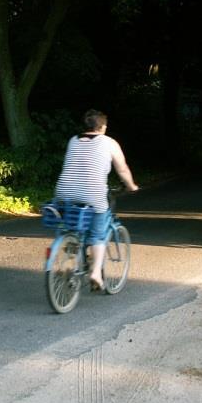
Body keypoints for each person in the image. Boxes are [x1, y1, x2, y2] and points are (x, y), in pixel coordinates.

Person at [55, 109, 139, 289]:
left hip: (64, 193)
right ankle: (95, 273)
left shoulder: (73, 140)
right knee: (97, 235)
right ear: (103, 126)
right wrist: (131, 186)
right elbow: (122, 169)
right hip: (92, 194)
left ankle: (73, 249)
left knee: (76, 226)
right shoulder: (109, 142)